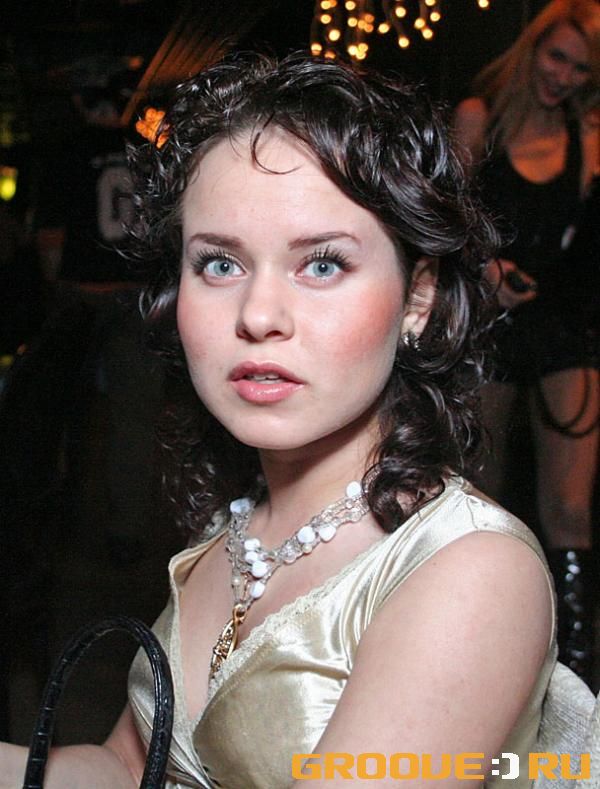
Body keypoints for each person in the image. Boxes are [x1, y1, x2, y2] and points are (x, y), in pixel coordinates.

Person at [1, 53, 589, 788]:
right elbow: (128, 766)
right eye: (220, 264)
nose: (258, 314)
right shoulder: (236, 528)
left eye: (322, 264)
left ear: (419, 299)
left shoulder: (469, 573)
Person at [453, 0, 600, 682]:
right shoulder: (479, 117)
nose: (563, 76)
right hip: (490, 324)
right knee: (479, 502)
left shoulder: (588, 134)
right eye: (556, 56)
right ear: (533, 48)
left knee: (570, 508)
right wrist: (486, 270)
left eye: (581, 68)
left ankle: (579, 680)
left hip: (564, 324)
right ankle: (482, 656)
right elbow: (444, 221)